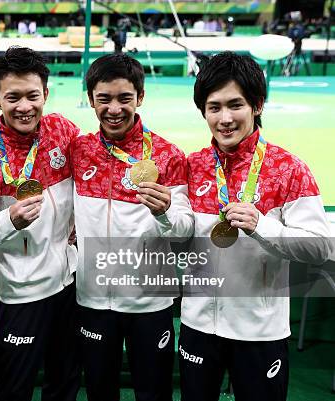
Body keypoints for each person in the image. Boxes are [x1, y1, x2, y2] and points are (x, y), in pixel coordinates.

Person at [180, 51, 332, 401]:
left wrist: (262, 226)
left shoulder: (289, 169)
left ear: (257, 105)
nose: (225, 118)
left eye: (236, 105)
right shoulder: (192, 166)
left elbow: (321, 246)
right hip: (198, 323)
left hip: (260, 331)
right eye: (214, 107)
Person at [0, 46, 81, 401]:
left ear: (46, 93)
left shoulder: (62, 130)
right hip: (22, 296)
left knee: (65, 381)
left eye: (32, 95)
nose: (24, 106)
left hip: (69, 284)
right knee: (14, 388)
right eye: (13, 97)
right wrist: (9, 219)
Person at [72, 53, 193, 401]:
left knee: (153, 392)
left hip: (150, 302)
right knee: (99, 390)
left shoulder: (168, 156)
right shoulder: (78, 151)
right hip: (93, 298)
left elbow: (184, 231)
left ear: (139, 97)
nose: (114, 109)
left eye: (124, 98)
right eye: (104, 99)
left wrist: (165, 212)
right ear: (91, 99)